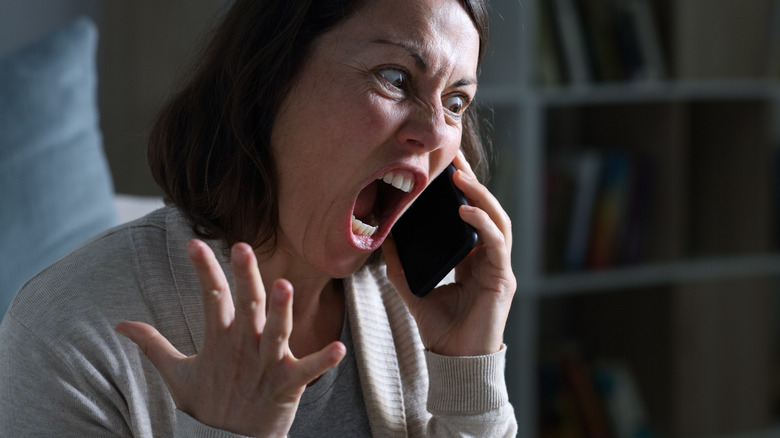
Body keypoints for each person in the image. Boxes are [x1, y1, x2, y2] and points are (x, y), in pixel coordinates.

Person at [0, 0, 517, 435]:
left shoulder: (416, 301)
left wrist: (467, 376)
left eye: (455, 102)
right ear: (271, 80)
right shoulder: (65, 330)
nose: (434, 133)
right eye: (394, 76)